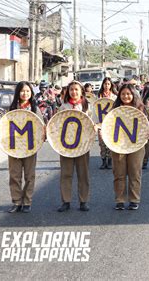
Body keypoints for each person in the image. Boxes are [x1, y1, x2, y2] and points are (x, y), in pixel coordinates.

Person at [5, 81, 44, 213]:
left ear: (31, 93)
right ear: (18, 92)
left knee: (29, 175)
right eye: (22, 91)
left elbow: (41, 127)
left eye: (27, 91)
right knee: (14, 175)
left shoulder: (35, 109)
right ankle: (16, 202)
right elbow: (4, 125)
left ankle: (27, 201)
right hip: (14, 147)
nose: (25, 93)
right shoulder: (12, 108)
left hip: (30, 147)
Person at [111, 84, 149, 210]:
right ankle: (120, 200)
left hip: (136, 145)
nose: (125, 96)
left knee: (135, 172)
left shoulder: (140, 108)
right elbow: (109, 125)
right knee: (119, 173)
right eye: (123, 94)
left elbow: (146, 123)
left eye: (128, 94)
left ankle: (134, 199)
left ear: (133, 94)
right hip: (118, 145)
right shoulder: (115, 109)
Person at [57, 81, 92, 212]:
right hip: (66, 145)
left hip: (82, 144)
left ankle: (83, 201)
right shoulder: (63, 106)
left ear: (81, 91)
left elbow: (91, 124)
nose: (74, 92)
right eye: (71, 89)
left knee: (83, 174)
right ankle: (66, 200)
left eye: (76, 89)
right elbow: (57, 124)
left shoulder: (87, 106)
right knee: (66, 173)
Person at [97, 77, 118, 169]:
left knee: (109, 142)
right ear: (103, 85)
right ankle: (103, 160)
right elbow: (95, 110)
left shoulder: (115, 97)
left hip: (111, 123)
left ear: (111, 85)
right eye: (105, 84)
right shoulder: (99, 96)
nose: (106, 86)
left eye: (108, 84)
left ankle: (109, 161)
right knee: (102, 143)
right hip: (101, 123)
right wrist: (96, 123)